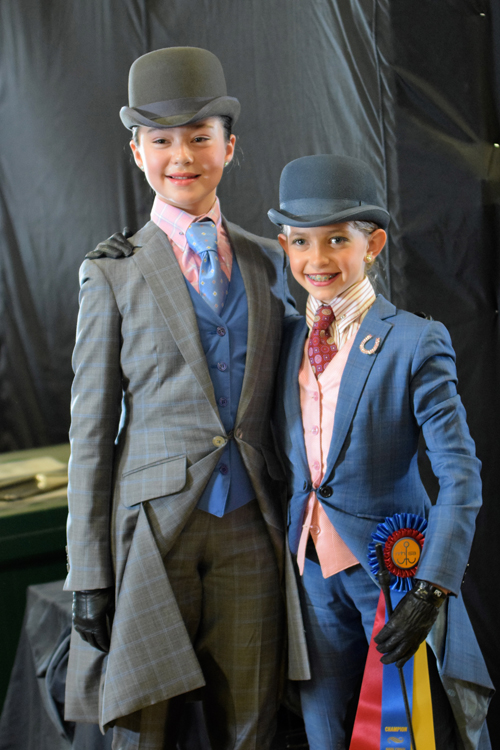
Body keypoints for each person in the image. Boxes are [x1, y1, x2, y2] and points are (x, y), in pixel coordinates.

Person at [64, 46, 297, 750]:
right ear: (137, 152)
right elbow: (89, 433)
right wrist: (87, 572)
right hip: (150, 533)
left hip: (251, 527)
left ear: (230, 145)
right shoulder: (112, 274)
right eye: (161, 139)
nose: (182, 155)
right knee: (143, 725)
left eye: (199, 136)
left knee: (253, 723)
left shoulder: (270, 260)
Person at [269, 154, 493, 750]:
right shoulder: (285, 337)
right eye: (300, 242)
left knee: (410, 731)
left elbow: (460, 474)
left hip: (391, 573)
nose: (317, 260)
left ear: (374, 244)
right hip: (310, 572)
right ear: (284, 246)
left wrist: (433, 587)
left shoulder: (416, 341)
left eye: (337, 239)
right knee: (322, 728)